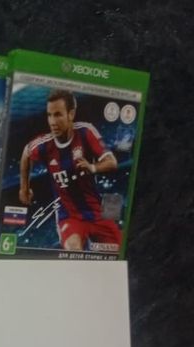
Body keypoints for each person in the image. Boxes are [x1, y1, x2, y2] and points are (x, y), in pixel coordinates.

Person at [19, 89, 121, 251]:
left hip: (97, 212)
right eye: (49, 115)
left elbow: (112, 162)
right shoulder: (44, 145)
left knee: (118, 252)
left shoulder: (86, 132)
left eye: (58, 115)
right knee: (73, 249)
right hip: (69, 217)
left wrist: (93, 167)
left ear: (71, 114)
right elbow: (26, 153)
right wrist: (24, 188)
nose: (52, 121)